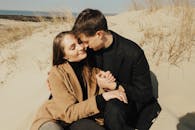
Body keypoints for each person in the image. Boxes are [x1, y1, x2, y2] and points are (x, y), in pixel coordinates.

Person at [72, 8, 161, 130]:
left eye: (86, 42)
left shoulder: (133, 53)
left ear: (99, 34)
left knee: (114, 108)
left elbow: (144, 94)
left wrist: (115, 86)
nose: (84, 46)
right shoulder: (89, 51)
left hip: (124, 106)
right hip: (96, 102)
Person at [30, 31, 128, 130]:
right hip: (54, 118)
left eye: (79, 42)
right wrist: (102, 97)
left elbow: (113, 90)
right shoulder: (56, 73)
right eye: (73, 47)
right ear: (65, 56)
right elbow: (69, 113)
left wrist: (108, 85)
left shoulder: (93, 71)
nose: (80, 47)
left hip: (79, 120)